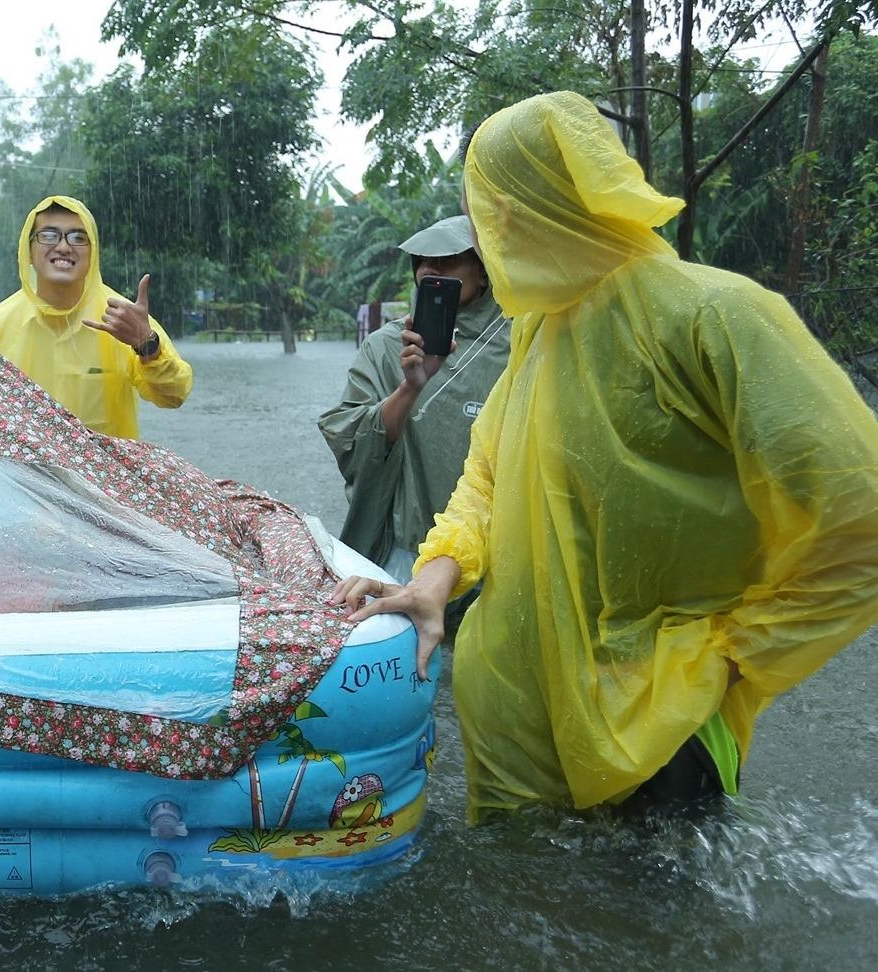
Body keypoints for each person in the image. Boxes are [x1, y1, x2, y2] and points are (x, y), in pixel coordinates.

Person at [335, 91, 878, 822]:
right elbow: (485, 481)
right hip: (518, 731)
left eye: (489, 210)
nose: (490, 235)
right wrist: (434, 582)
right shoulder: (540, 331)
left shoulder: (716, 316)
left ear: (531, 209)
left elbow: (859, 511)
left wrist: (736, 654)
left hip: (662, 724)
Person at [317, 216, 509, 588]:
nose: (430, 269)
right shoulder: (387, 346)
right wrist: (410, 388)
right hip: (407, 548)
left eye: (447, 260)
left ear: (483, 271)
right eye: (422, 260)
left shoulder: (520, 341)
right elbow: (352, 439)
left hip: (496, 549)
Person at [0, 195, 192, 438]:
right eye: (49, 236)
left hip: (103, 473)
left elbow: (174, 395)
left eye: (78, 238)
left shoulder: (123, 319)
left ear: (93, 252)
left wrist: (147, 344)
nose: (64, 247)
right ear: (29, 250)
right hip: (20, 474)